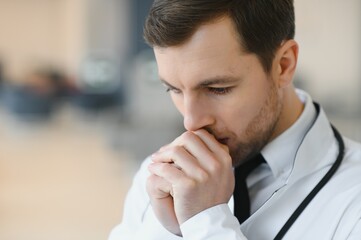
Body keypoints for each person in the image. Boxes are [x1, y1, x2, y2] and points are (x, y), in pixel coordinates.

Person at [109, 0, 361, 239]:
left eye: (218, 89)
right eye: (174, 89)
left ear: (283, 65)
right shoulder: (154, 180)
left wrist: (204, 223)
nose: (191, 121)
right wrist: (170, 233)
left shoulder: (353, 201)